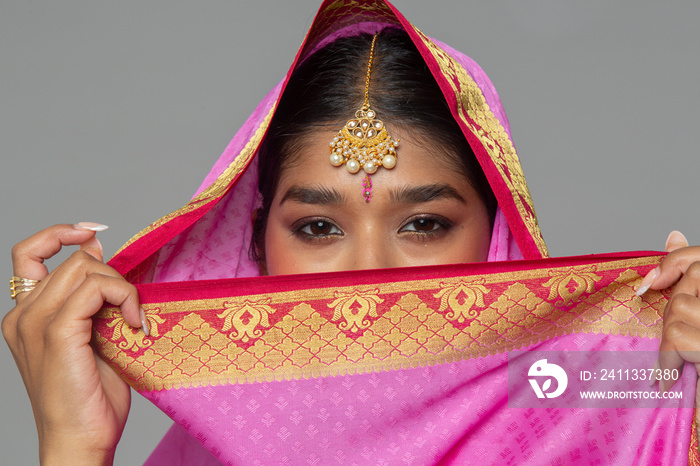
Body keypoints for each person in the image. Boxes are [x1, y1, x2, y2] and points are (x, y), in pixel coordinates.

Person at [4, 1, 700, 464]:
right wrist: (72, 445)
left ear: (497, 238)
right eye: (317, 226)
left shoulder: (574, 391)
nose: (371, 273)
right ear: (256, 246)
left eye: (424, 223)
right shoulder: (209, 451)